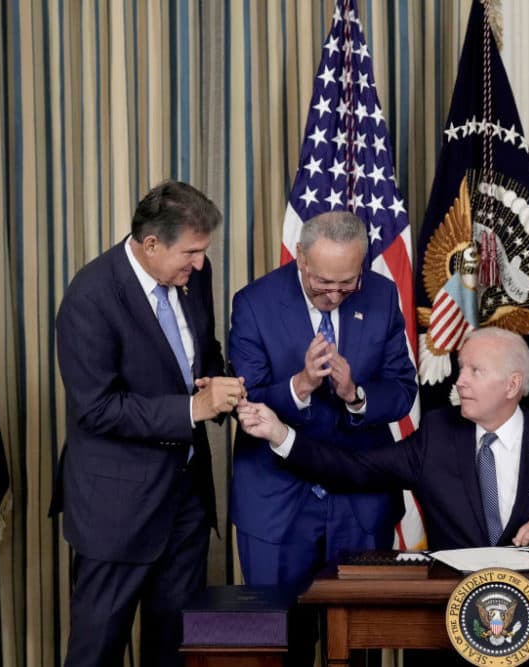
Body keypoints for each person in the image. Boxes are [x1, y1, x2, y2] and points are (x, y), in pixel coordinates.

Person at [51, 181, 245, 666]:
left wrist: (224, 387)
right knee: (97, 651)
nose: (200, 264)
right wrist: (191, 410)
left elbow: (206, 352)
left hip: (186, 504)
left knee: (175, 649)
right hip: (115, 509)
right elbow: (95, 408)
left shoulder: (195, 276)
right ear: (151, 244)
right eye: (192, 252)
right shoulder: (89, 297)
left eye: (204, 252)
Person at [228, 210, 417, 663]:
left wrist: (355, 394)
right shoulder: (254, 302)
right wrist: (302, 385)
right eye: (323, 283)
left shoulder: (382, 293)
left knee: (359, 642)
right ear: (301, 260)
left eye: (347, 283)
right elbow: (245, 400)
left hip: (359, 499)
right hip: (278, 500)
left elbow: (403, 389)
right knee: (280, 642)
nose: (335, 294)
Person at [236, 326, 529, 551]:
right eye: (460, 368)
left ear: (512, 385)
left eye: (475, 371)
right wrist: (280, 434)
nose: (459, 381)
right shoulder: (438, 434)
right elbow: (353, 469)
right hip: (451, 614)